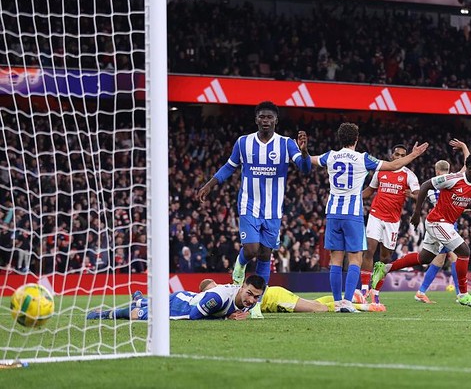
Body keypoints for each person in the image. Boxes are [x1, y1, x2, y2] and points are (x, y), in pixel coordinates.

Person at [196, 101, 311, 319]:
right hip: (248, 205)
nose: (266, 121)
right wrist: (210, 184)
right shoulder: (243, 142)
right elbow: (230, 166)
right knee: (251, 250)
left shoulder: (286, 144)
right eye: (262, 117)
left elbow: (304, 170)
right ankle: (239, 270)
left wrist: (304, 153)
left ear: (276, 120)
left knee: (265, 255)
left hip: (273, 211)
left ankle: (255, 304)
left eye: (270, 117)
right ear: (256, 119)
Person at [308, 122, 428, 312]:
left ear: (339, 138)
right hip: (353, 214)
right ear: (356, 139)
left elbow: (310, 160)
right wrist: (414, 155)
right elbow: (392, 166)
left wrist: (303, 150)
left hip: (333, 213)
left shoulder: (330, 156)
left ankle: (338, 302)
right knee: (356, 258)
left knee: (336, 259)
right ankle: (349, 301)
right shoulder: (363, 158)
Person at [371, 153, 471, 308]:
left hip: (443, 223)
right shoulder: (453, 179)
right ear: (470, 168)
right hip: (437, 222)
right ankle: (463, 295)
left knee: (425, 258)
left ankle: (385, 268)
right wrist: (417, 212)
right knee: (464, 252)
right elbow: (426, 185)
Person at [359, 144, 421, 304]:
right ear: (392, 155)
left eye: (403, 155)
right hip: (376, 215)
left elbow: (419, 194)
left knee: (386, 258)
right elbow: (370, 190)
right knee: (369, 250)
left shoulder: (409, 175)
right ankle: (364, 289)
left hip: (392, 221)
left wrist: (412, 196)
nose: (399, 157)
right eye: (397, 154)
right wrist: (354, 197)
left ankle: (376, 291)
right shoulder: (381, 170)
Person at [413, 141, 471, 304]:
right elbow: (467, 166)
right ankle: (460, 294)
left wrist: (412, 198)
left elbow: (421, 195)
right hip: (446, 224)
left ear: (436, 170)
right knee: (454, 257)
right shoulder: (453, 179)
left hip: (440, 223)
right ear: (448, 169)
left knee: (440, 260)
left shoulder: (434, 185)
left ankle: (422, 292)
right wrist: (464, 148)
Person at [86, 275, 267, 321]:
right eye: (249, 293)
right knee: (135, 315)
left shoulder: (249, 302)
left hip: (186, 296)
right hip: (180, 307)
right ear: (242, 286)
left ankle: (139, 298)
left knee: (145, 304)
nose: (251, 300)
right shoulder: (218, 298)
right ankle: (104, 314)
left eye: (256, 297)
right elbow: (194, 316)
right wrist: (225, 318)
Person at [198, 279, 385, 314]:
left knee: (316, 309)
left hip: (273, 299)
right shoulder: (225, 291)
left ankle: (366, 307)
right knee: (314, 303)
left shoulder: (221, 295)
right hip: (274, 295)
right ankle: (353, 297)